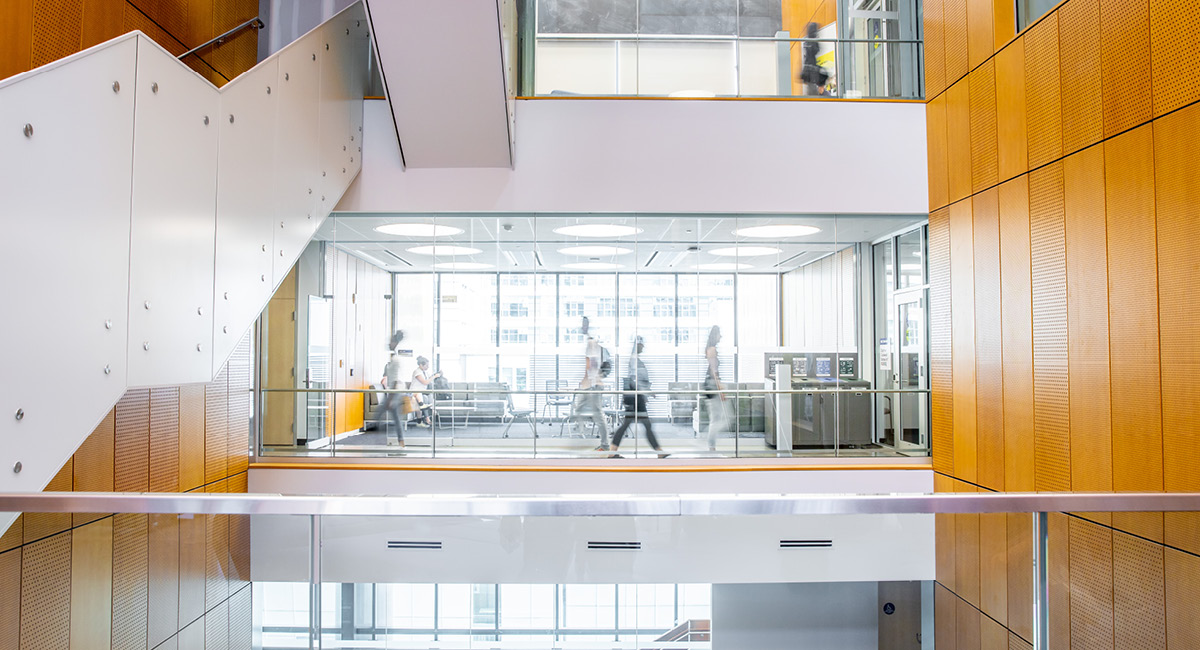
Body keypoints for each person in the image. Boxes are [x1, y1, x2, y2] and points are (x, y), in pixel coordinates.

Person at [609, 336, 667, 458]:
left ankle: (659, 451)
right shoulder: (634, 360)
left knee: (642, 424)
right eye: (641, 345)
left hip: (636, 396)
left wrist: (646, 391)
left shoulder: (635, 360)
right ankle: (659, 451)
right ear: (638, 345)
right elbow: (635, 381)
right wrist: (647, 392)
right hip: (634, 397)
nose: (643, 347)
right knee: (637, 424)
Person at [571, 316, 609, 450]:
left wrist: (588, 377)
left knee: (598, 414)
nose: (582, 327)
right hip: (588, 385)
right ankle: (582, 435)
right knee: (578, 408)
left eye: (584, 325)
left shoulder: (593, 345)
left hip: (594, 386)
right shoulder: (589, 343)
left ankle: (605, 444)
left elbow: (591, 364)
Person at [704, 325, 733, 452]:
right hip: (713, 386)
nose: (721, 336)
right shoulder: (712, 349)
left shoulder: (711, 349)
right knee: (721, 419)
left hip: (712, 386)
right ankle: (710, 444)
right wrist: (720, 388)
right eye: (719, 334)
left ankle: (710, 444)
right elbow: (713, 371)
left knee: (717, 419)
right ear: (715, 335)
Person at [380, 330, 407, 447]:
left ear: (395, 342)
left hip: (395, 391)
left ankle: (400, 441)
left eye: (390, 342)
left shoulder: (395, 359)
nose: (388, 344)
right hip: (395, 390)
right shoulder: (394, 358)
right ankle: (400, 441)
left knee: (385, 414)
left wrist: (391, 397)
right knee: (393, 417)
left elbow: (395, 380)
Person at [409, 356, 440, 428]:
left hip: (421, 392)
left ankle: (430, 414)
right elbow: (425, 382)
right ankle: (427, 419)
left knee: (429, 397)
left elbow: (429, 379)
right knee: (423, 399)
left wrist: (435, 375)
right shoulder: (417, 372)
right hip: (414, 392)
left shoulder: (424, 372)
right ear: (420, 365)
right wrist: (434, 377)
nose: (428, 367)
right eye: (426, 365)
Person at [799, 22, 827, 96]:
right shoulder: (811, 41)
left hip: (810, 69)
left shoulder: (807, 42)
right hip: (811, 70)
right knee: (812, 91)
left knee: (811, 89)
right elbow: (816, 50)